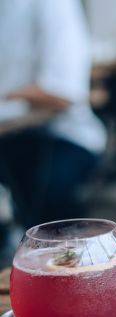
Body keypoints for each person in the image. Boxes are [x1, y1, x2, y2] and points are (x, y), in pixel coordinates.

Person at [0, 0, 106, 229]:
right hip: (11, 135)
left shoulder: (53, 5)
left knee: (50, 216)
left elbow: (62, 91)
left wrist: (10, 97)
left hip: (62, 137)